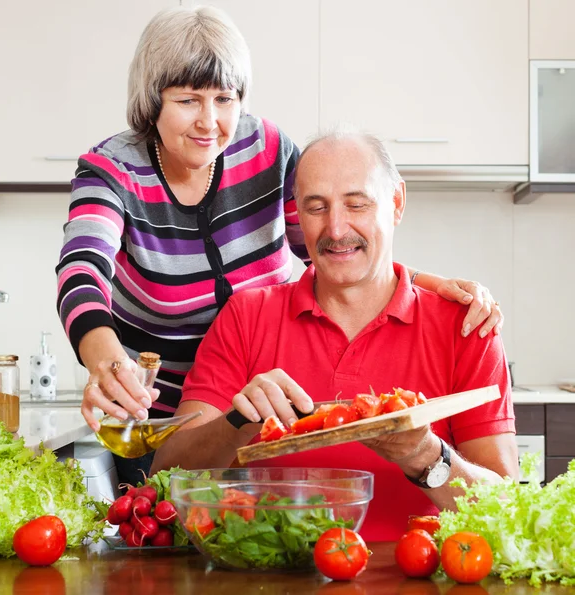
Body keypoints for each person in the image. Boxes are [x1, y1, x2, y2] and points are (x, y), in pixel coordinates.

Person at [56, 6, 503, 485]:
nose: (210, 122)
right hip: (159, 413)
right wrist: (107, 363)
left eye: (225, 99)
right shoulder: (113, 171)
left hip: (268, 395)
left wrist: (425, 286)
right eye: (188, 100)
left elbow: (333, 244)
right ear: (152, 100)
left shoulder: (266, 150)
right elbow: (82, 269)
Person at [151, 130, 519, 541]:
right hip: (274, 578)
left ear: (396, 203)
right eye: (316, 207)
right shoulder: (246, 317)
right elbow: (165, 478)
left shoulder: (467, 326)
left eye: (356, 204)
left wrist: (425, 456)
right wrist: (237, 423)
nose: (337, 228)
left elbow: (506, 510)